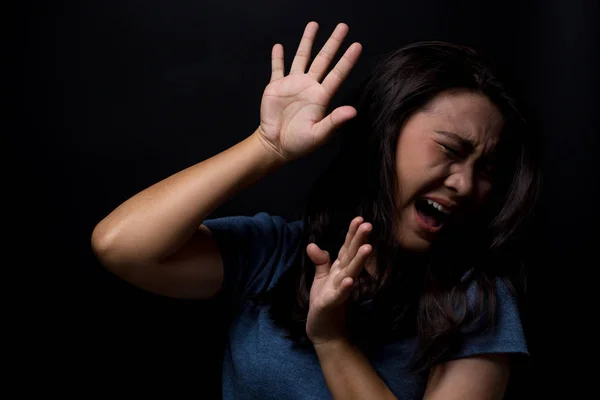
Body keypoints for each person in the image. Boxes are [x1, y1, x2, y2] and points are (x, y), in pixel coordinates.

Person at [91, 21, 540, 399]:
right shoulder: (277, 253)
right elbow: (122, 246)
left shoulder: (476, 300)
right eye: (449, 149)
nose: (464, 183)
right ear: (386, 134)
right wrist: (266, 147)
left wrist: (332, 340)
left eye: (486, 168)